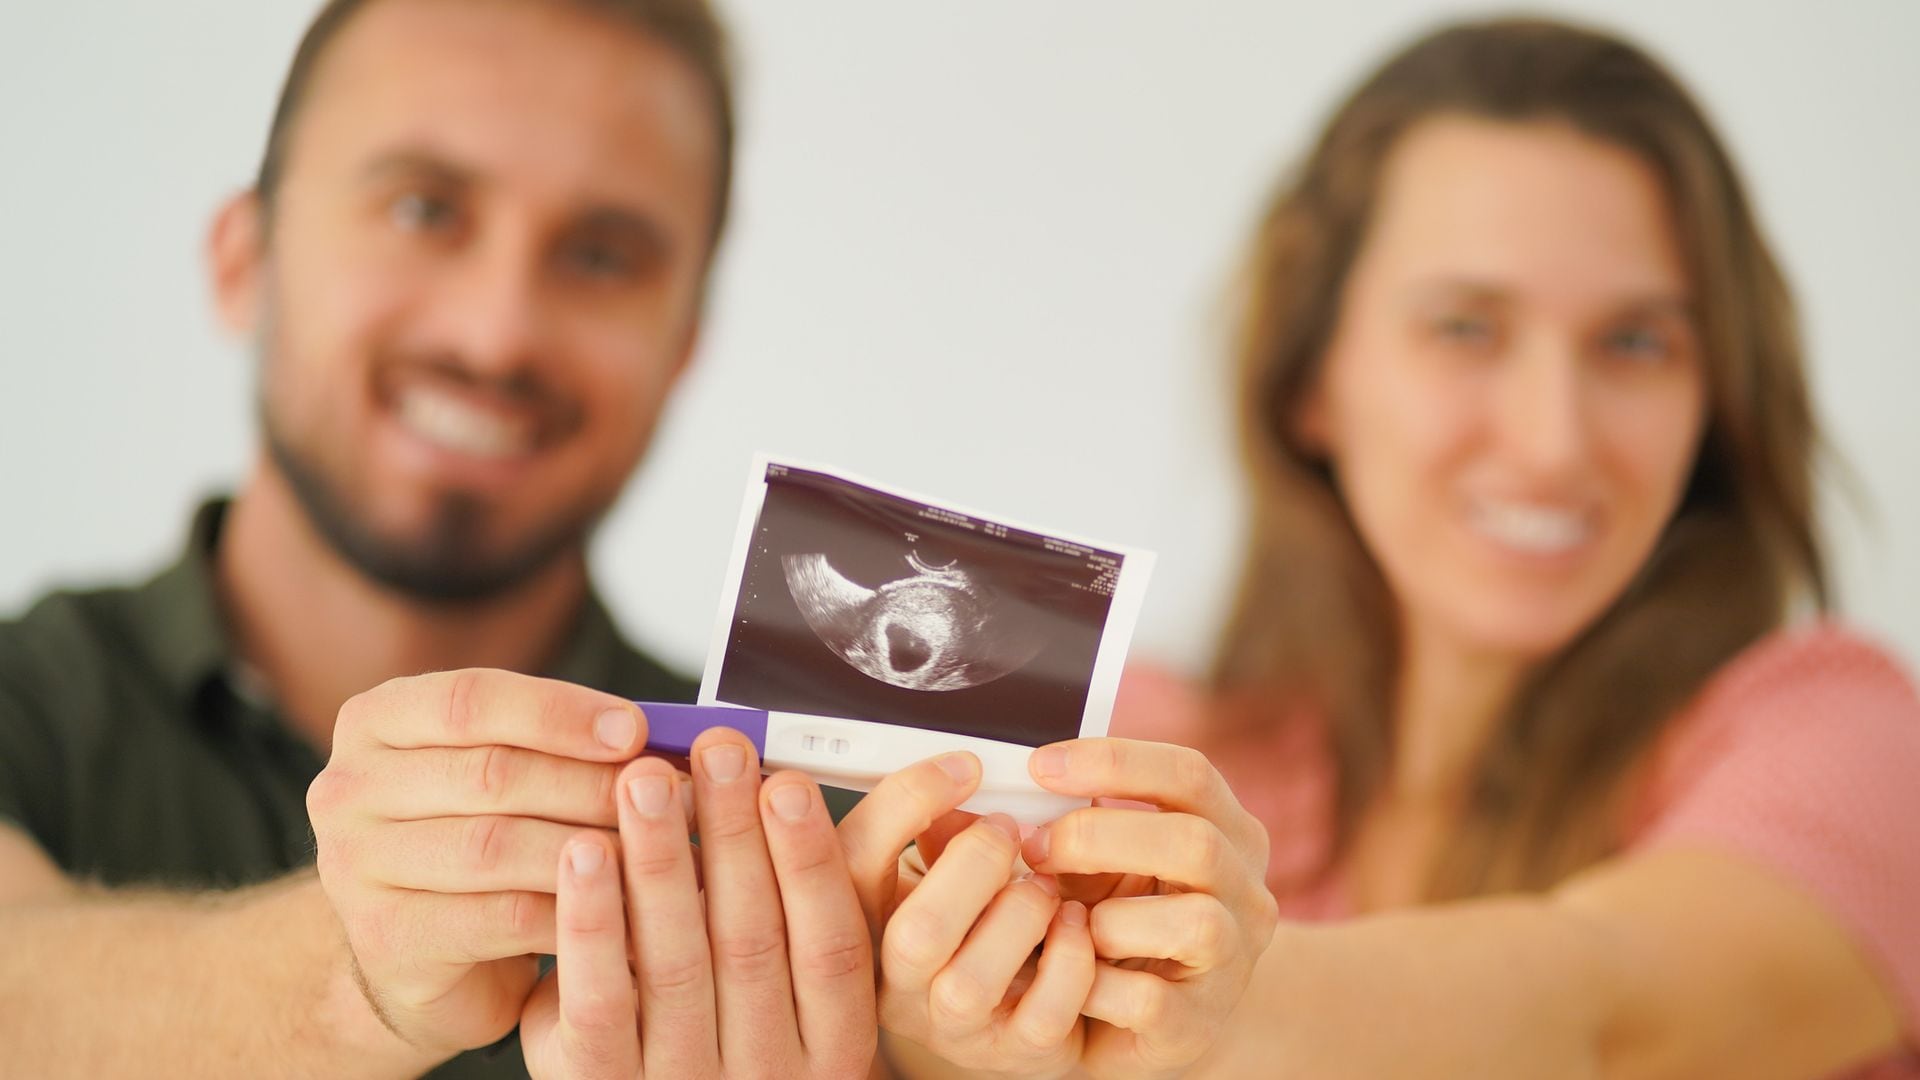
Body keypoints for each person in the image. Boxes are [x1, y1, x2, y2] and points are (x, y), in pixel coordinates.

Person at [0, 0, 870, 1075]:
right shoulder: (24, 708)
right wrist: (355, 977)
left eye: (601, 257)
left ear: (682, 349)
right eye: (423, 209)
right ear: (244, 259)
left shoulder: (822, 835)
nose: (495, 332)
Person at [1105, 16, 1920, 1079]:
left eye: (1635, 343)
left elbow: (1605, 1016)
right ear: (1312, 380)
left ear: (1708, 400)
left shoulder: (1851, 745)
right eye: (1466, 327)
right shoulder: (1150, 755)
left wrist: (1161, 1009)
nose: (1553, 441)